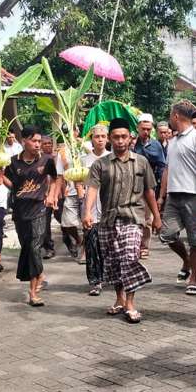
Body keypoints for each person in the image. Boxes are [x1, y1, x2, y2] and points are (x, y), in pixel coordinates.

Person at [83, 118, 162, 324]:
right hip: (108, 220)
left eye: (123, 137)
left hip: (133, 218)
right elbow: (92, 189)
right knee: (114, 262)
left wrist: (156, 217)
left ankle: (130, 302)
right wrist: (87, 212)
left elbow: (149, 192)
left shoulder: (141, 162)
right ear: (110, 139)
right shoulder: (101, 164)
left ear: (130, 138)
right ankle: (119, 298)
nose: (120, 141)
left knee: (129, 258)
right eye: (116, 137)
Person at [2, 126, 58, 307]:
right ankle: (39, 273)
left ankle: (32, 292)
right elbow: (12, 185)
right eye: (34, 141)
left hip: (39, 209)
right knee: (27, 246)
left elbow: (56, 178)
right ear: (23, 141)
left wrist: (51, 195)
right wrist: (0, 176)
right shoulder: (13, 162)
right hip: (20, 210)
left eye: (39, 141)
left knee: (34, 246)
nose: (37, 144)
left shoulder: (47, 160)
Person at [159, 99, 196, 294]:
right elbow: (167, 169)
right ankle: (187, 261)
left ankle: (194, 279)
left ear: (176, 116)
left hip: (194, 195)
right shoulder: (171, 142)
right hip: (173, 196)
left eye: (171, 115)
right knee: (167, 234)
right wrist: (162, 196)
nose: (170, 119)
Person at [79, 124, 110, 295]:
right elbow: (78, 180)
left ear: (107, 138)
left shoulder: (112, 158)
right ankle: (95, 281)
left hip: (108, 208)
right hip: (89, 207)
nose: (100, 139)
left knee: (107, 246)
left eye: (103, 136)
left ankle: (108, 275)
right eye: (97, 136)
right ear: (92, 139)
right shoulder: (84, 160)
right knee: (91, 245)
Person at [134, 113, 167, 259]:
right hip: (131, 185)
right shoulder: (131, 143)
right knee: (133, 217)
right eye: (143, 129)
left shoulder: (156, 145)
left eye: (148, 129)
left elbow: (161, 167)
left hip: (148, 186)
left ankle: (144, 246)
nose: (145, 132)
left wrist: (161, 193)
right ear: (138, 128)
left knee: (147, 219)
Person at [55, 139, 85, 260]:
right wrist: (56, 195)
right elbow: (60, 175)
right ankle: (79, 240)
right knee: (67, 223)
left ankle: (86, 251)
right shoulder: (62, 152)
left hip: (88, 191)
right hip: (71, 192)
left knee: (88, 222)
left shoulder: (85, 147)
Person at [40, 135, 56, 258]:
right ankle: (48, 248)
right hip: (44, 196)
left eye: (50, 143)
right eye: (45, 144)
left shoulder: (57, 157)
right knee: (45, 223)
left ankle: (75, 240)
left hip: (60, 195)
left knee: (66, 223)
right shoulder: (39, 160)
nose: (48, 145)